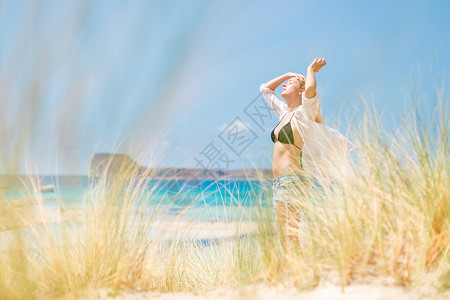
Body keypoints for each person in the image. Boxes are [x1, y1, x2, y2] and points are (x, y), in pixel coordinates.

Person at [260, 58, 356, 246]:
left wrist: (310, 70)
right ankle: (293, 272)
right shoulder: (283, 113)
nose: (286, 84)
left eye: (291, 83)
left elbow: (311, 90)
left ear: (301, 91)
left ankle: (299, 272)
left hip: (293, 180)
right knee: (284, 236)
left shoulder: (304, 114)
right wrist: (288, 75)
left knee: (290, 236)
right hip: (279, 183)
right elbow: (265, 89)